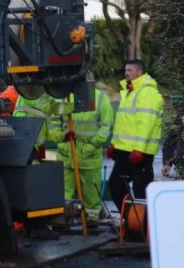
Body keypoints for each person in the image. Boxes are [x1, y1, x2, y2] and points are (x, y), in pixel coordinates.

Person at [46, 88, 114, 224]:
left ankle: (92, 218)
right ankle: (64, 218)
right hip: (67, 155)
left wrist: (95, 142)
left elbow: (106, 124)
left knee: (91, 192)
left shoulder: (99, 98)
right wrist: (62, 136)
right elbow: (54, 123)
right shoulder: (63, 97)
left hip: (89, 156)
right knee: (65, 192)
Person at [108, 59, 164, 209]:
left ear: (140, 72)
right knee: (115, 187)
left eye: (130, 70)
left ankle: (142, 228)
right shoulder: (130, 91)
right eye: (125, 70)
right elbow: (123, 122)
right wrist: (114, 144)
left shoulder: (147, 92)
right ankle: (130, 222)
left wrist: (139, 149)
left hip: (140, 153)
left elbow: (145, 123)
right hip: (125, 151)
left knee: (141, 193)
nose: (126, 73)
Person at [13, 90, 56, 159]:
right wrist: (72, 107)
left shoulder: (39, 90)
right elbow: (48, 107)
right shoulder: (35, 91)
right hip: (28, 137)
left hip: (32, 139)